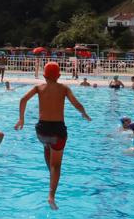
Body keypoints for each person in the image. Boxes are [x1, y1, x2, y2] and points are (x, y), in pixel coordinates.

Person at [14, 62, 91, 210]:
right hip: (57, 131)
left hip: (41, 130)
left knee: (46, 146)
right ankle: (51, 195)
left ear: (44, 76)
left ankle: (52, 175)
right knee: (56, 165)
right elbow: (77, 104)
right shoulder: (64, 88)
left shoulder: (38, 88)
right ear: (59, 76)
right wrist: (84, 113)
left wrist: (21, 119)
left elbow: (23, 100)